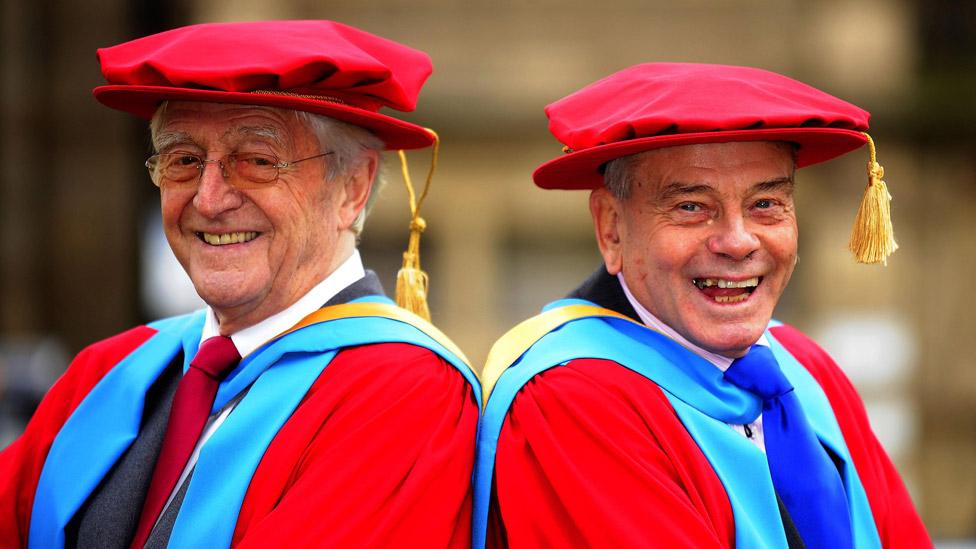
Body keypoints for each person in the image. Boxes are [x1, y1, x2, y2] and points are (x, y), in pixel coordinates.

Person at [0, 20, 480, 548]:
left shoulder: (405, 395)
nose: (209, 199)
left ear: (352, 188)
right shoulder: (110, 371)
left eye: (256, 161)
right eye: (183, 160)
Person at [473, 63, 930, 548]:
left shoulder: (805, 369)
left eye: (766, 204)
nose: (738, 242)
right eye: (692, 207)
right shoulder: (571, 397)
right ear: (612, 228)